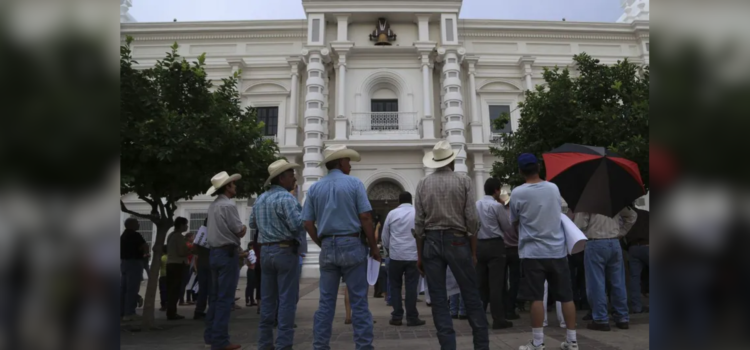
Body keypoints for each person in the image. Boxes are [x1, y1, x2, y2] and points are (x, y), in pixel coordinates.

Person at [303, 145, 381, 350]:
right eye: (348, 161)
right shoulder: (354, 184)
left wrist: (321, 242)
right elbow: (365, 216)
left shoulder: (314, 188)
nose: (350, 165)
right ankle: (364, 346)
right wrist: (374, 247)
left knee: (326, 302)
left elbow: (308, 222)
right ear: (340, 162)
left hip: (328, 245)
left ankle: (320, 346)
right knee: (359, 301)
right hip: (352, 243)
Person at [414, 140, 489, 350]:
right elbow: (471, 220)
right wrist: (473, 251)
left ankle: (448, 346)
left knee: (438, 301)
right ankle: (481, 346)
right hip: (457, 239)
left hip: (430, 241)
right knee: (471, 295)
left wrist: (420, 255)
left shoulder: (423, 184)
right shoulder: (463, 181)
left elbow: (419, 223)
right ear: (452, 161)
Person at [510, 153, 578, 350]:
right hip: (557, 250)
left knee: (537, 298)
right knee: (566, 296)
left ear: (520, 171)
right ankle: (572, 341)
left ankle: (538, 342)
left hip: (532, 252)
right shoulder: (553, 188)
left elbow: (514, 221)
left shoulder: (517, 193)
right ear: (538, 167)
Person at [249, 159, 305, 350]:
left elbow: (252, 224)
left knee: (267, 300)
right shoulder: (287, 199)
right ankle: (283, 344)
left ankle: (265, 343)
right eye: (291, 175)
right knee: (287, 300)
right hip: (285, 250)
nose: (294, 178)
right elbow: (297, 225)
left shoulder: (261, 198)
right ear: (282, 179)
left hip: (266, 251)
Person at [573, 206, 637, 331]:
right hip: (614, 243)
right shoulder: (614, 200)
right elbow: (632, 216)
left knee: (596, 283)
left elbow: (579, 225)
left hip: (595, 243)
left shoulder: (588, 202)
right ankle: (622, 317)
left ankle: (601, 319)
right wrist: (621, 232)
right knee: (618, 282)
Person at [204, 171, 247, 350]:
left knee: (214, 298)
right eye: (232, 184)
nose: (235, 186)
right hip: (227, 253)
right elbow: (239, 230)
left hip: (214, 253)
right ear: (227, 187)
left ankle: (211, 336)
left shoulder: (213, 206)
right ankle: (220, 340)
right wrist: (244, 227)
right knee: (224, 299)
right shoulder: (228, 206)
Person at [381, 191, 426, 327]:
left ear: (399, 201)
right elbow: (422, 233)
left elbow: (385, 236)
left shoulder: (392, 214)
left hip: (396, 255)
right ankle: (412, 317)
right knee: (411, 287)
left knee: (395, 286)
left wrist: (388, 249)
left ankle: (397, 316)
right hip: (413, 256)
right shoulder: (416, 213)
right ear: (411, 201)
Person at [475, 178, 514, 329]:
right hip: (495, 245)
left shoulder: (476, 205)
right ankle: (498, 318)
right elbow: (506, 226)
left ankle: (479, 317)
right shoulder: (497, 206)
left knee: (481, 284)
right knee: (496, 284)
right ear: (497, 190)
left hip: (479, 245)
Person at [120, 218, 148, 322]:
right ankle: (129, 312)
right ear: (131, 225)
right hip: (134, 262)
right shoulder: (135, 235)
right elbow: (145, 246)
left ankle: (122, 312)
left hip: (124, 263)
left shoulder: (123, 236)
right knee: (132, 288)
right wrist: (145, 253)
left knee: (124, 288)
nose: (139, 225)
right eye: (137, 223)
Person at [499, 192, 522, 320]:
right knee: (514, 281)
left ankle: (503, 307)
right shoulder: (515, 216)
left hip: (502, 249)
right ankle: (511, 308)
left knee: (502, 281)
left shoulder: (499, 214)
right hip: (515, 249)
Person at [166, 217, 191, 320]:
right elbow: (181, 252)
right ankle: (172, 312)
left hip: (171, 263)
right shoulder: (178, 237)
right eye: (185, 225)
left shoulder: (171, 235)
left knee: (171, 289)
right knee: (175, 289)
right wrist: (191, 251)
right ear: (181, 225)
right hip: (178, 264)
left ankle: (171, 311)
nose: (187, 227)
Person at [626, 207, 649, 313]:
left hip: (633, 247)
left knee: (634, 278)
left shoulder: (624, 216)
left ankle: (636, 307)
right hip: (648, 245)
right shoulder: (646, 214)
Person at [193, 218, 211, 319]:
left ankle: (199, 310)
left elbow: (194, 249)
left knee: (203, 288)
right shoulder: (212, 233)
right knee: (212, 288)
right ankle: (211, 310)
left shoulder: (200, 234)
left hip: (202, 263)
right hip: (210, 263)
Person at [245, 242, 258, 307]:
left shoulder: (255, 252)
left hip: (254, 270)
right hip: (250, 270)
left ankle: (252, 300)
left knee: (253, 286)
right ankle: (248, 300)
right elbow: (247, 262)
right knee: (249, 286)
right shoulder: (248, 253)